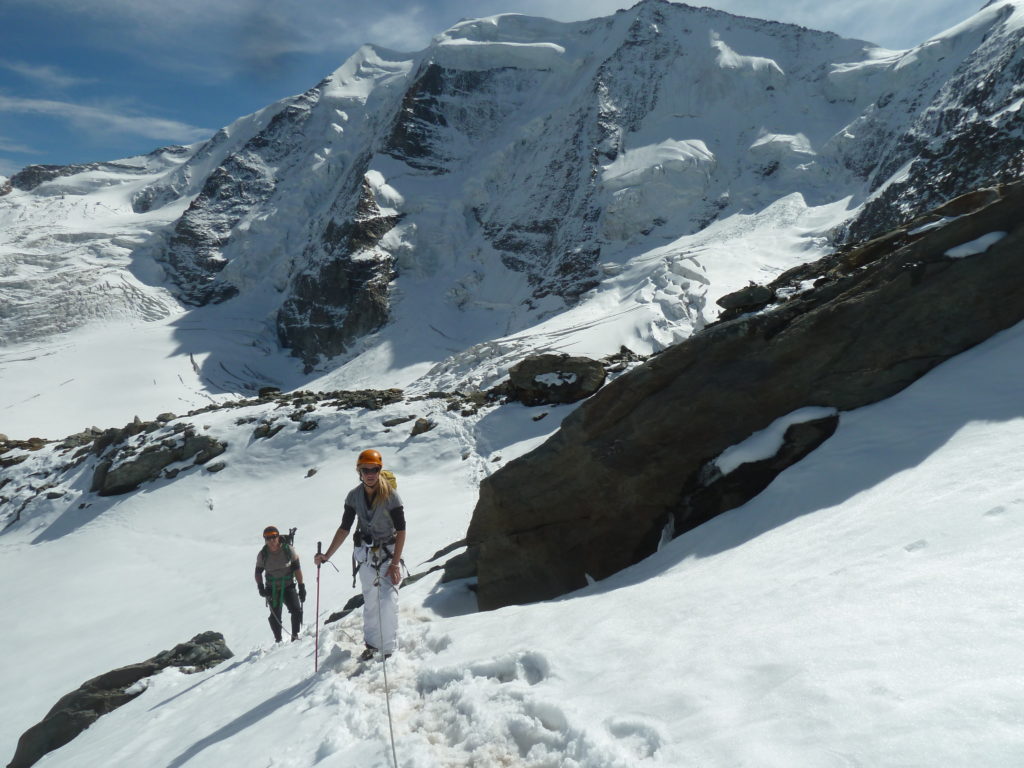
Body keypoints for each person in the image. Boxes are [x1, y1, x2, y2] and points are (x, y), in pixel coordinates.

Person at [314, 449, 406, 661]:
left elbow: (401, 531)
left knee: (387, 600)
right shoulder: (353, 497)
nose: (370, 473)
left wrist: (394, 564)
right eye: (366, 469)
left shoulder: (392, 496)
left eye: (374, 469)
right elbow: (344, 528)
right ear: (359, 471)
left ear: (379, 470)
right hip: (366, 555)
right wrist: (327, 555)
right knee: (371, 600)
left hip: (388, 552)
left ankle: (388, 648)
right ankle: (373, 644)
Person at [255, 525, 306, 642]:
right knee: (275, 616)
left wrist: (301, 586)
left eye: (274, 537)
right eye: (268, 538)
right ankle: (278, 640)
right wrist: (260, 586)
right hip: (272, 589)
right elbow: (258, 572)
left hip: (288, 586)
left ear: (278, 537)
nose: (271, 540)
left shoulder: (288, 550)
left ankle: (295, 636)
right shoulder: (263, 554)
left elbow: (297, 569)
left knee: (296, 610)